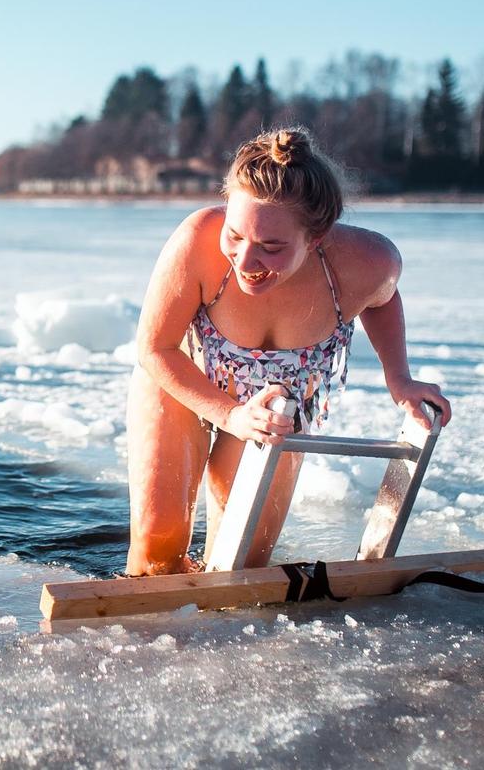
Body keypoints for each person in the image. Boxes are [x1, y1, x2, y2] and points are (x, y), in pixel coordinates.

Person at [125, 126, 452, 575]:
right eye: (235, 236)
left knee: (242, 564)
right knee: (157, 553)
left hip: (276, 408)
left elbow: (382, 298)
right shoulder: (197, 240)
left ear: (315, 238)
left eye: (271, 247)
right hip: (183, 381)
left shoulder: (369, 261)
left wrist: (400, 379)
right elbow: (155, 348)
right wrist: (229, 414)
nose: (244, 261)